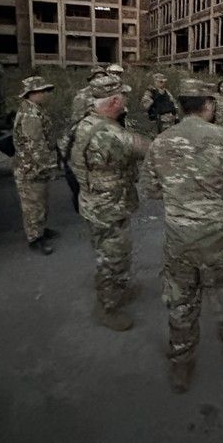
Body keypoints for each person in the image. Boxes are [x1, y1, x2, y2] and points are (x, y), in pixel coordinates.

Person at [141, 79, 223, 393]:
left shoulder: (161, 141)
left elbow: (151, 191)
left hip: (179, 240)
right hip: (217, 239)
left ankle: (181, 365)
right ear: (208, 104)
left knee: (181, 304)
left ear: (180, 106)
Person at [70, 74, 148, 331]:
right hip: (108, 207)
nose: (126, 100)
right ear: (114, 100)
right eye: (123, 96)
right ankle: (108, 307)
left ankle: (117, 289)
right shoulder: (108, 134)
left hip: (96, 202)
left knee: (108, 251)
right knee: (113, 257)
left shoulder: (87, 123)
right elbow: (149, 148)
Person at [13, 75, 57, 255]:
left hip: (34, 166)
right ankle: (35, 238)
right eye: (43, 91)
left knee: (40, 202)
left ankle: (40, 230)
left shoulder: (35, 109)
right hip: (31, 167)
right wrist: (48, 167)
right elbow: (35, 146)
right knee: (33, 204)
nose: (46, 94)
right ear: (32, 93)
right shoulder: (30, 114)